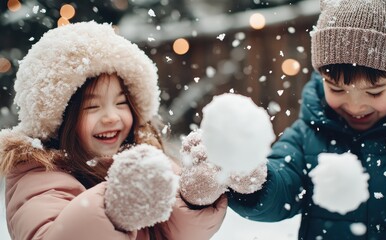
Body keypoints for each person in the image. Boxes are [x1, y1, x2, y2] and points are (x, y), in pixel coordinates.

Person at [179, 0, 386, 239]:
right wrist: (253, 180)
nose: (355, 105)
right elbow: (282, 189)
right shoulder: (309, 135)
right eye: (337, 89)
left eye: (374, 92)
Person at [0, 21, 227, 240]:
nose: (111, 117)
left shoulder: (145, 161)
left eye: (121, 103)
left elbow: (172, 232)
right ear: (58, 122)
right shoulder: (39, 180)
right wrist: (113, 208)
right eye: (92, 106)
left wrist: (192, 197)